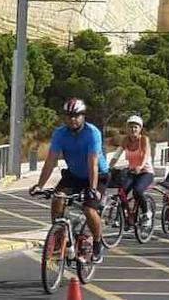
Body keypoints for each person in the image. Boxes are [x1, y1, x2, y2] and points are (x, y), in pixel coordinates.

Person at [31, 97, 108, 263]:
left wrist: (93, 189)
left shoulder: (92, 133)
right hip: (74, 174)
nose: (72, 119)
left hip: (97, 175)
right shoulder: (60, 133)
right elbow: (50, 161)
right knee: (57, 198)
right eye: (69, 116)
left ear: (83, 116)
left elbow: (92, 163)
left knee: (89, 209)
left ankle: (97, 243)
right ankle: (58, 237)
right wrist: (40, 185)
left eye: (76, 115)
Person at [109, 115, 154, 225]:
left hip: (145, 172)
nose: (133, 129)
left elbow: (146, 154)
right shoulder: (125, 140)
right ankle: (124, 217)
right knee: (122, 193)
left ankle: (146, 213)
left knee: (137, 191)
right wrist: (108, 167)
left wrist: (141, 166)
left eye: (136, 127)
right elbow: (117, 154)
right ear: (127, 129)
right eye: (130, 127)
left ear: (140, 129)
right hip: (132, 171)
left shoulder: (143, 139)